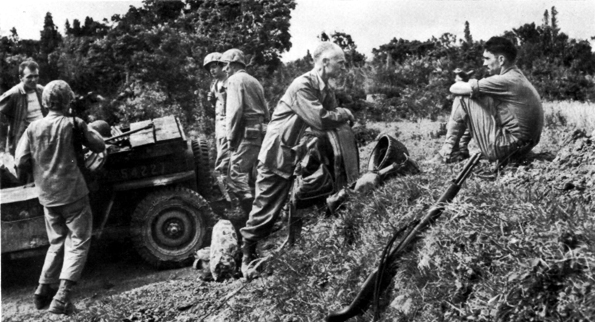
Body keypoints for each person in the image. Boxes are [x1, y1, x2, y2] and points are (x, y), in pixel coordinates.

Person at [239, 42, 354, 278]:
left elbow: (333, 120)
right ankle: (246, 255)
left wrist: (340, 117)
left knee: (308, 198)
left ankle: (299, 247)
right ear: (325, 63)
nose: (344, 67)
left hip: (299, 155)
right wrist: (344, 114)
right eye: (340, 62)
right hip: (277, 156)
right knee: (266, 209)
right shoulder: (303, 85)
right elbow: (321, 119)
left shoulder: (325, 90)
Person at [15, 80, 105, 315]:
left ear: (45, 102)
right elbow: (99, 145)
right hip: (73, 193)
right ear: (68, 101)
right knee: (78, 242)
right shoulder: (74, 124)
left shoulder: (32, 128)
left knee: (56, 242)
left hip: (47, 196)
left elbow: (20, 162)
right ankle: (62, 297)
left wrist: (41, 166)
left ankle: (42, 290)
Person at [437, 36, 544, 163]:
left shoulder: (505, 80)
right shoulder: (516, 75)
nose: (484, 63)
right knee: (481, 97)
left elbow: (454, 89)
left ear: (501, 60)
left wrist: (461, 83)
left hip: (509, 148)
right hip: (522, 147)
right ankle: (460, 148)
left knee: (463, 97)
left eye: (487, 58)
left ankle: (449, 152)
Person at [220, 48, 270, 217]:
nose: (224, 69)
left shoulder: (234, 80)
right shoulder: (254, 81)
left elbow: (234, 112)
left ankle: (252, 216)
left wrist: (230, 138)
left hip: (246, 132)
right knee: (256, 174)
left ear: (231, 65)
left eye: (225, 65)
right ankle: (262, 212)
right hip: (260, 130)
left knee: (236, 174)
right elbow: (266, 109)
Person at [0, 60, 47, 155]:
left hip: (44, 136)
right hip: (24, 141)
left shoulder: (42, 90)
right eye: (29, 77)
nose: (33, 80)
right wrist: (2, 146)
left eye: (36, 76)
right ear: (21, 78)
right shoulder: (14, 94)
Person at [204, 52, 231, 180]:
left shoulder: (229, 81)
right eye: (210, 68)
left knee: (226, 151)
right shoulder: (215, 84)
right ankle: (221, 179)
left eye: (214, 66)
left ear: (222, 66)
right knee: (220, 148)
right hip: (219, 122)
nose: (212, 70)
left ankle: (222, 178)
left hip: (228, 122)